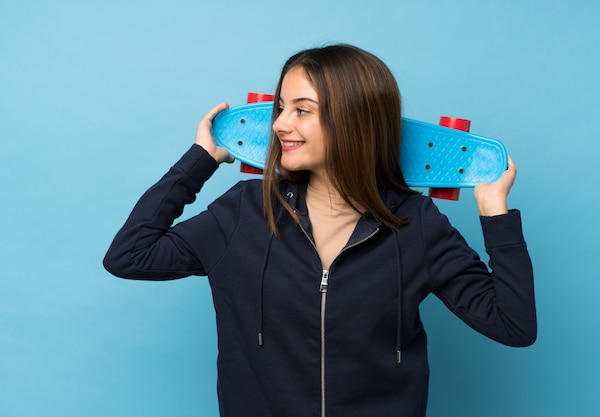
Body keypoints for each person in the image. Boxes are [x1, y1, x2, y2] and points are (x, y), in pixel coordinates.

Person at [103, 44, 536, 417]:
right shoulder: (243, 213)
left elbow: (513, 326)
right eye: (279, 108)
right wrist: (200, 159)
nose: (279, 124)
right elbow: (129, 255)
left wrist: (496, 216)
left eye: (301, 111)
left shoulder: (417, 224)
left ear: (352, 120)